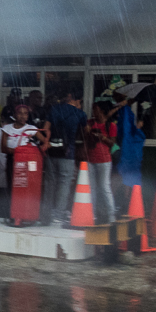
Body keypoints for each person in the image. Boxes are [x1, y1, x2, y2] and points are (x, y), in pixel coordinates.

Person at [42, 91, 88, 224]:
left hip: (51, 151)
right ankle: (58, 214)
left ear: (68, 96)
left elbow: (45, 129)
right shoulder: (80, 114)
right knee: (64, 183)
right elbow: (87, 132)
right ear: (78, 100)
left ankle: (47, 212)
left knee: (50, 182)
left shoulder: (54, 109)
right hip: (68, 153)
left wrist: (49, 141)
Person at [83, 103, 118, 224]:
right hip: (90, 159)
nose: (93, 113)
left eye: (96, 110)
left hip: (104, 160)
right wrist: (87, 132)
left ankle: (111, 215)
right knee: (91, 188)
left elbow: (112, 143)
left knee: (104, 187)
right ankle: (91, 214)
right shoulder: (90, 123)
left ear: (102, 111)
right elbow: (84, 138)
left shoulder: (111, 125)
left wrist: (102, 137)